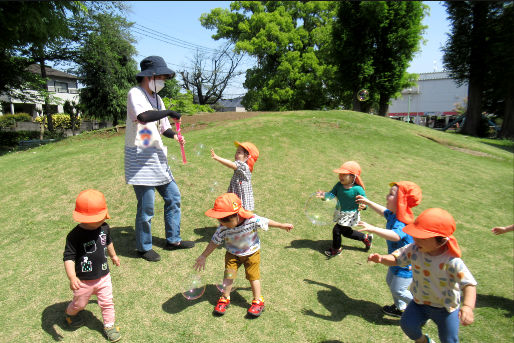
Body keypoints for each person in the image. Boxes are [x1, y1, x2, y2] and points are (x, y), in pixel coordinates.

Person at [367, 208, 477, 343]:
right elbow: (397, 258)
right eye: (415, 234)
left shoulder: (452, 261)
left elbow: (469, 284)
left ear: (441, 241)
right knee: (407, 325)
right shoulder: (414, 249)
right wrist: (382, 259)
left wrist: (467, 307)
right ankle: (424, 341)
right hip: (419, 302)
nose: (415, 238)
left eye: (421, 237)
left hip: (446, 309)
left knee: (449, 340)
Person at [125, 56, 194, 262]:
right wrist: (170, 111)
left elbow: (163, 127)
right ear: (150, 76)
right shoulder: (135, 93)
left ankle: (173, 240)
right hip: (139, 158)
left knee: (173, 197)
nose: (163, 81)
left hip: (156, 156)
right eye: (161, 77)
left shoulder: (157, 98)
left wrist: (175, 136)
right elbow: (144, 117)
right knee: (147, 207)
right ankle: (144, 247)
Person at [193, 193, 293, 317]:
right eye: (220, 221)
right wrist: (203, 256)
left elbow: (266, 221)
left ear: (236, 215)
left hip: (252, 253)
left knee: (253, 276)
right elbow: (214, 242)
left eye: (225, 221)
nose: (222, 224)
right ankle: (225, 297)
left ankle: (258, 301)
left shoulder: (251, 220)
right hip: (233, 254)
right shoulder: (222, 228)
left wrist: (282, 225)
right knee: (229, 275)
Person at [356, 181, 422, 317]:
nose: (386, 197)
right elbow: (382, 210)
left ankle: (422, 310)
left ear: (401, 201)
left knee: (398, 290)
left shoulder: (403, 221)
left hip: (406, 264)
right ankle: (400, 308)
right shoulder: (394, 214)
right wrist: (368, 202)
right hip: (395, 260)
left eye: (391, 195)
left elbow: (396, 236)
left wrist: (374, 229)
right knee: (390, 282)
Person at [63, 190, 121, 342]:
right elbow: (68, 257)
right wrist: (72, 276)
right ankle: (70, 314)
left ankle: (109, 326)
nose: (103, 219)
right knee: (79, 304)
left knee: (107, 302)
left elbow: (108, 242)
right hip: (84, 281)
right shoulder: (74, 235)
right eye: (100, 217)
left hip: (104, 276)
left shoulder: (104, 227)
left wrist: (113, 255)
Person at [317, 161, 372, 257]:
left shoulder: (357, 189)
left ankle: (336, 249)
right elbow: (331, 195)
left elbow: (365, 201)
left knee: (337, 230)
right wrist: (323, 196)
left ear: (352, 176)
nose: (340, 176)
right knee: (346, 232)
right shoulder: (339, 185)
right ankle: (365, 237)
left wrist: (364, 206)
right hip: (340, 212)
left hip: (350, 215)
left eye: (344, 174)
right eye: (340, 174)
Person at [210, 141, 259, 210]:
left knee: (241, 217)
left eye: (239, 152)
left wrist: (217, 157)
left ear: (247, 157)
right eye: (236, 152)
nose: (236, 154)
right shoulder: (241, 167)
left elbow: (231, 164)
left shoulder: (244, 167)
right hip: (236, 198)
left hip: (243, 202)